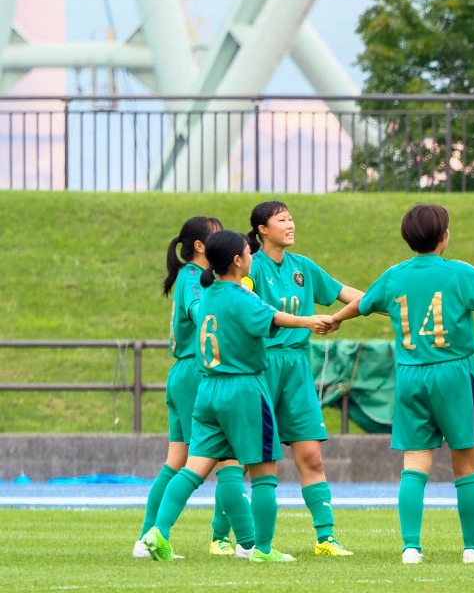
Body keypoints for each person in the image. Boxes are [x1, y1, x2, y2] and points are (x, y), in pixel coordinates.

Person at [321, 203, 474, 563]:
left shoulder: (395, 275)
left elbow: (363, 303)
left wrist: (335, 319)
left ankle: (410, 547)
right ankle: (471, 548)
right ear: (444, 236)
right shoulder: (457, 273)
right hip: (453, 373)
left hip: (410, 376)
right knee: (466, 467)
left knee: (415, 465)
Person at [141, 230, 331, 563]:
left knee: (192, 470)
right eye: (247, 252)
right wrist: (308, 321)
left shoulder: (208, 292)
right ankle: (263, 549)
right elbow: (273, 318)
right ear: (237, 261)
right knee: (263, 473)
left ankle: (158, 532)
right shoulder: (242, 296)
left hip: (208, 390)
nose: (251, 256)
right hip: (244, 389)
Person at [246, 201, 365, 556]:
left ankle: (326, 538)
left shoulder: (304, 267)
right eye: (282, 219)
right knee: (249, 458)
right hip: (261, 365)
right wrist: (311, 320)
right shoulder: (250, 267)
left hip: (298, 367)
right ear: (262, 230)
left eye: (291, 218)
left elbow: (351, 296)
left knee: (312, 456)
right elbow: (251, 309)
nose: (290, 224)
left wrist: (384, 301)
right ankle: (231, 537)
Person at [135, 216, 256, 561]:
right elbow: (204, 313)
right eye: (216, 237)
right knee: (227, 460)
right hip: (197, 374)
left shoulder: (194, 278)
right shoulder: (193, 280)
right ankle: (248, 543)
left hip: (183, 372)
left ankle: (148, 537)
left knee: (176, 462)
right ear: (200, 246)